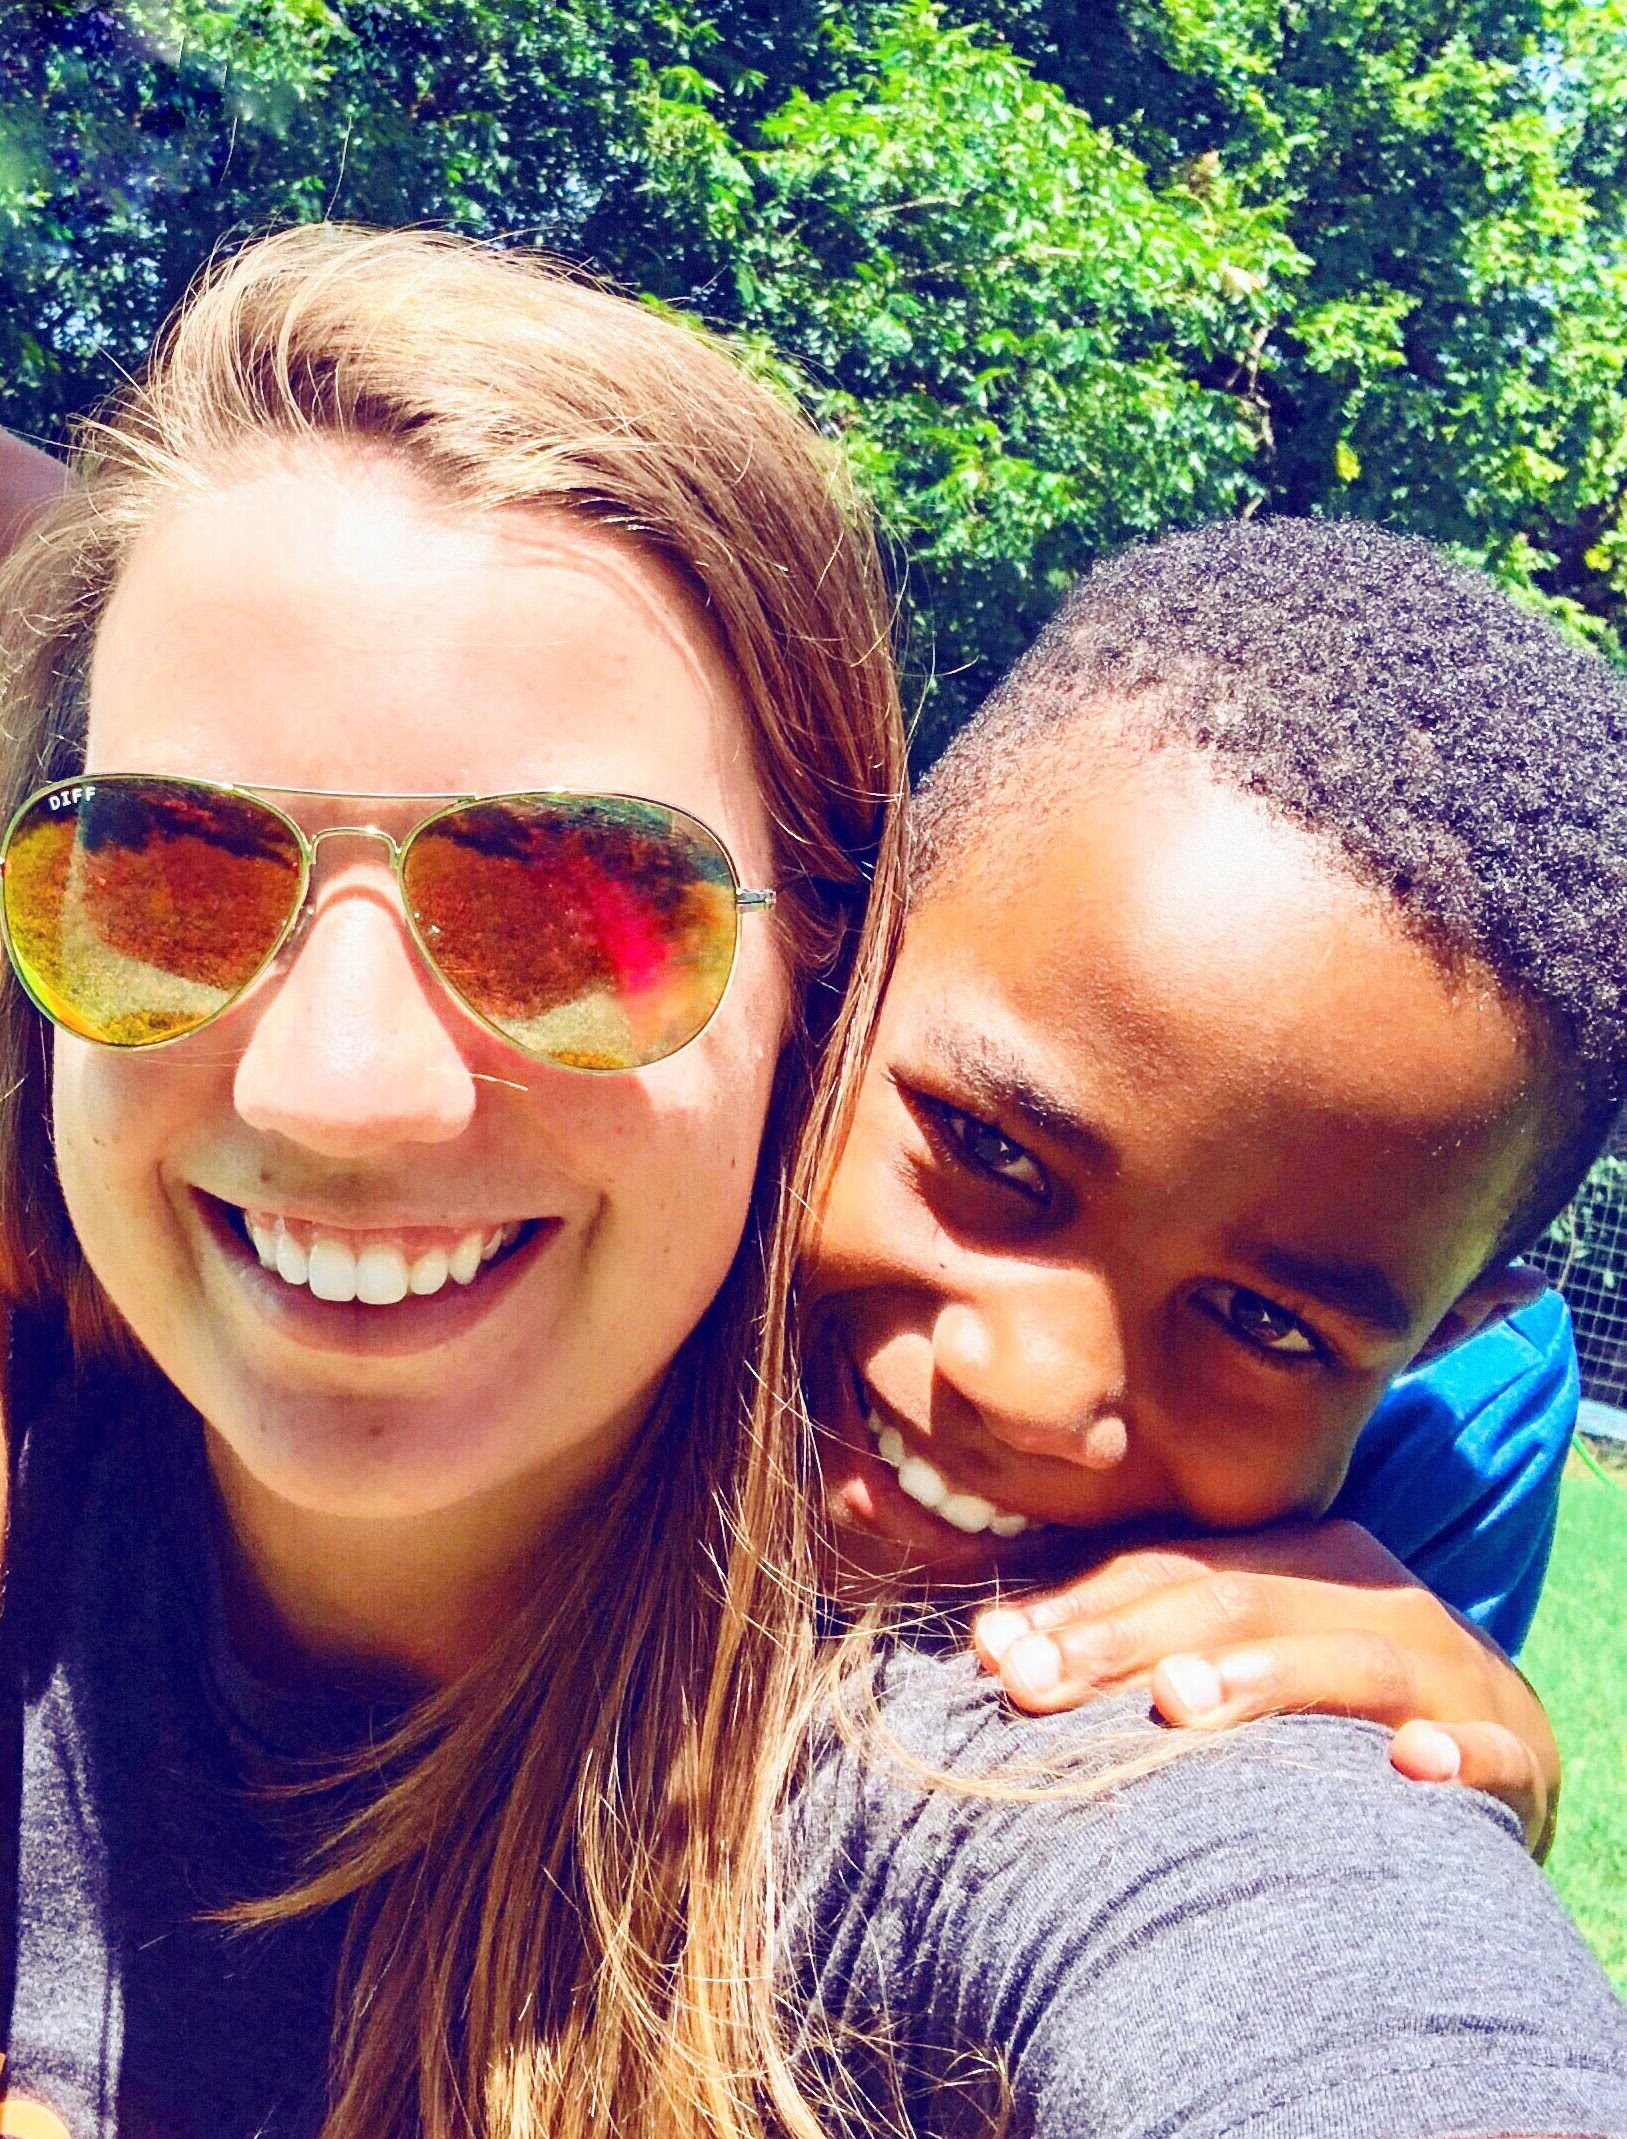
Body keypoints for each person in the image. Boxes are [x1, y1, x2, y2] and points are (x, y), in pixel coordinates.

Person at [0, 227, 1622, 2139]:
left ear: (808, 978)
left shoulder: (1055, 1766)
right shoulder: (67, 1440)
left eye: (566, 910)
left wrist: (1417, 1766)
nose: (340, 1088)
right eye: (168, 875)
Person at [807, 518, 1620, 1850]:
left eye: (1265, 1323)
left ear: (1440, 1339)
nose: (1038, 1393)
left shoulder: (1446, 1469)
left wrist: (1463, 1790)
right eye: (993, 1152)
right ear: (843, 960)